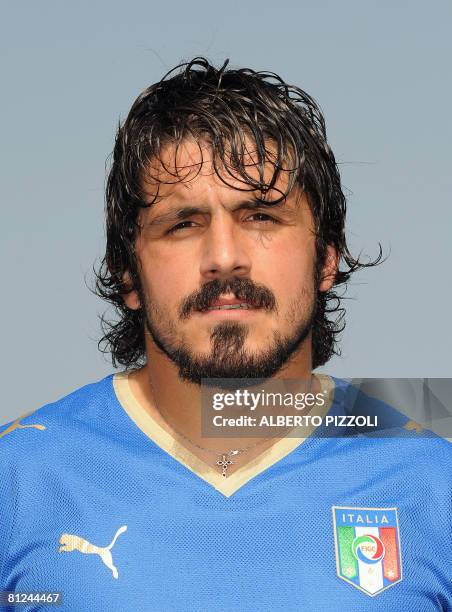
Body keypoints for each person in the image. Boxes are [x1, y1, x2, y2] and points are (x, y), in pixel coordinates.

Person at [0, 57, 450, 611]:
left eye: (261, 216)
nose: (224, 258)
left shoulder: (435, 484)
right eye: (182, 224)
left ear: (328, 259)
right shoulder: (16, 478)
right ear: (128, 274)